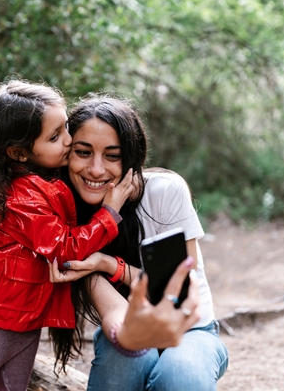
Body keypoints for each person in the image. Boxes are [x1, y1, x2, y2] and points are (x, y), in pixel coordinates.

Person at [0, 81, 135, 391]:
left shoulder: (45, 180)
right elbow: (65, 247)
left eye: (65, 128)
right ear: (19, 152)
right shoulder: (20, 197)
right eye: (55, 137)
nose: (68, 140)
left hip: (24, 318)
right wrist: (109, 214)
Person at [49, 94, 228, 390]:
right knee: (123, 361)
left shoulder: (164, 192)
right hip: (125, 327)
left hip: (191, 330)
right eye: (83, 152)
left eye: (112, 155)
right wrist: (110, 213)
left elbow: (183, 292)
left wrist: (109, 264)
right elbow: (113, 314)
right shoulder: (64, 219)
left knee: (180, 374)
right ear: (67, 154)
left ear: (131, 158)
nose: (96, 169)